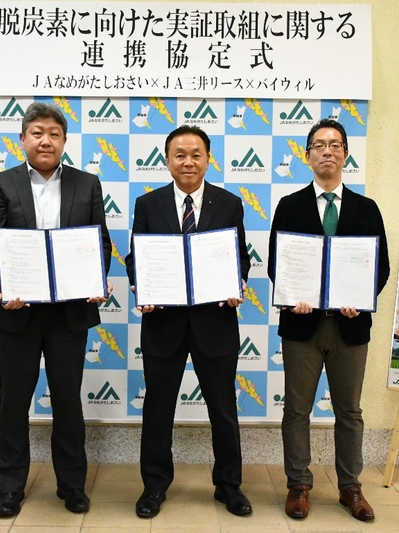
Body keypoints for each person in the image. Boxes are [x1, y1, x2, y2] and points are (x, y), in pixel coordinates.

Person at [0, 102, 112, 519]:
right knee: (14, 401)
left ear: (64, 141)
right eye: (37, 132)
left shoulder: (87, 183)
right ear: (22, 139)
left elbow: (99, 241)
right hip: (17, 309)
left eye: (54, 134)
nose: (45, 140)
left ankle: (71, 485)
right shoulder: (1, 183)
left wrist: (96, 278)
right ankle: (10, 487)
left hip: (68, 312)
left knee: (68, 402)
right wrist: (3, 281)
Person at [124, 125, 252, 519]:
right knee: (158, 410)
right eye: (179, 155)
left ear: (208, 159)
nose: (188, 162)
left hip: (215, 322)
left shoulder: (229, 203)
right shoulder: (149, 204)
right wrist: (140, 284)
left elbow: (239, 256)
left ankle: (228, 485)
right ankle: (154, 486)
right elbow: (136, 256)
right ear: (167, 161)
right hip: (164, 323)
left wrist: (238, 281)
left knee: (223, 409)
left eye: (196, 154)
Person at [267, 118, 390, 522]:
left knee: (349, 411)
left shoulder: (366, 209)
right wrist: (292, 298)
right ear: (307, 156)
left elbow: (381, 267)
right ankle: (298, 484)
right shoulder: (290, 206)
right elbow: (277, 264)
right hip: (302, 326)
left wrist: (361, 299)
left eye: (335, 145)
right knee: (296, 410)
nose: (327, 151)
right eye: (319, 145)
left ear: (346, 155)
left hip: (350, 327)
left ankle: (350, 486)